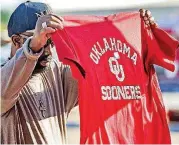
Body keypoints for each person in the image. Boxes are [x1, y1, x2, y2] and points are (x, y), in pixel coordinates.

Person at [0, 1, 155, 144]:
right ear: (16, 41)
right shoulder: (5, 82)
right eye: (42, 40)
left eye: (52, 41)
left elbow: (107, 70)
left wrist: (137, 35)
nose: (48, 49)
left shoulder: (57, 75)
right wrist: (34, 45)